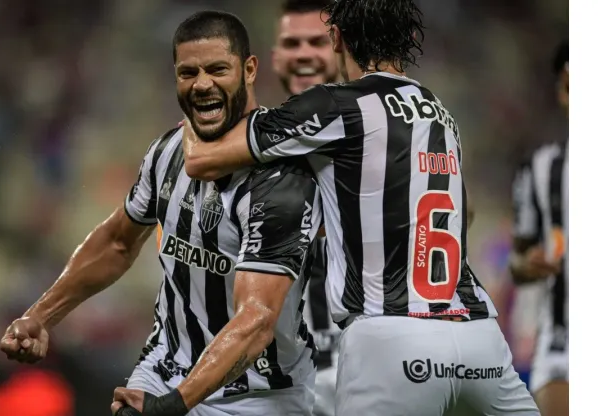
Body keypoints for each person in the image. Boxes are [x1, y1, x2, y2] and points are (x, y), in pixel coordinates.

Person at [180, 0, 539, 414]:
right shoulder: (441, 113)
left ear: (336, 38)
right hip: (481, 342)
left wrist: (198, 101)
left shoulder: (337, 105)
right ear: (411, 40)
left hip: (390, 338)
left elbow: (202, 159)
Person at [0, 11, 323, 416]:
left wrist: (174, 406)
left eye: (217, 69)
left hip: (261, 394)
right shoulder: (168, 151)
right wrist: (40, 316)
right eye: (188, 73)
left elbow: (256, 321)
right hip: (165, 369)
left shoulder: (282, 178)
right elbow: (117, 241)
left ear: (250, 69)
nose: (202, 84)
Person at [271, 2, 339, 416]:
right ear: (273, 57)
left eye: (317, 41)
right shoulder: (259, 142)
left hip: (368, 366)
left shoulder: (385, 133)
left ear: (342, 48)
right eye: (291, 44)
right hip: (287, 380)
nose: (303, 54)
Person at [509, 40, 568, 416]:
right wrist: (531, 264)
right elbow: (518, 261)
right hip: (564, 342)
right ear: (566, 86)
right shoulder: (540, 168)